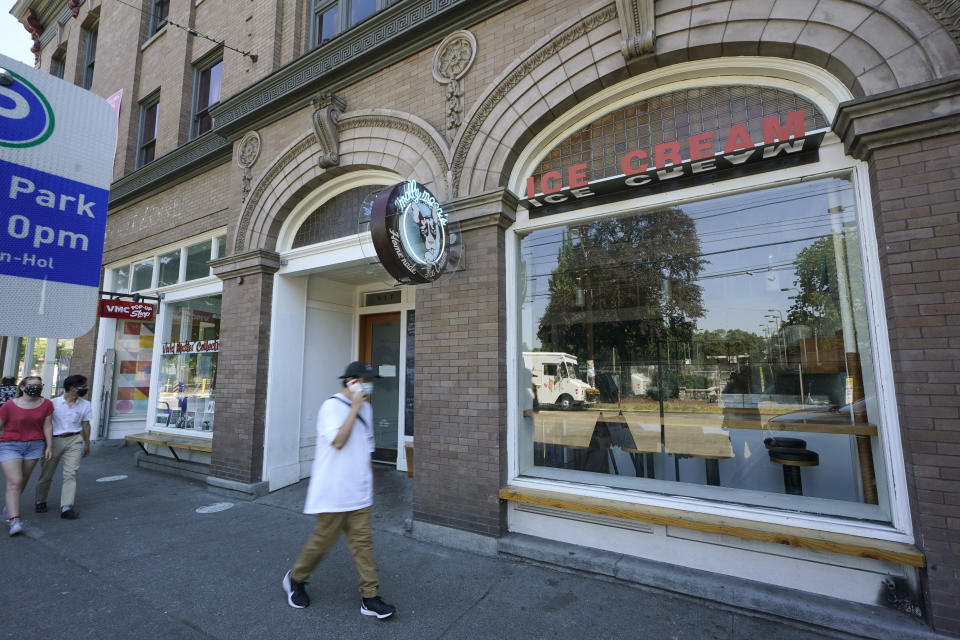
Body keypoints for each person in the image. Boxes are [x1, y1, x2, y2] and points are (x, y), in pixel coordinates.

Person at [282, 361, 396, 620]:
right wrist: (354, 407)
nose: (369, 385)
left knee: (363, 545)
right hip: (333, 492)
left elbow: (366, 448)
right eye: (364, 380)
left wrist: (370, 483)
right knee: (321, 543)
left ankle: (370, 597)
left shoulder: (366, 409)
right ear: (351, 381)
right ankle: (296, 579)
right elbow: (339, 441)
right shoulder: (331, 407)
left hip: (359, 492)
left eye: (371, 380)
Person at [0, 376, 53, 536]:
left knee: (21, 481)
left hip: (34, 445)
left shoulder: (46, 404)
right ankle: (15, 520)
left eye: (39, 385)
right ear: (22, 387)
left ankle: (8, 507)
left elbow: (47, 425)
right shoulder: (9, 405)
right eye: (32, 385)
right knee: (15, 481)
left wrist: (49, 446)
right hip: (10, 445)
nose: (36, 388)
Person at [34, 374, 92, 520]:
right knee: (47, 473)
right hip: (54, 441)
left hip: (74, 440)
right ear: (72, 388)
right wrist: (46, 443)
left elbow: (86, 425)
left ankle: (66, 507)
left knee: (71, 473)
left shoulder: (86, 405)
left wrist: (87, 443)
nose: (85, 389)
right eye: (82, 387)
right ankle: (40, 499)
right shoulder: (52, 403)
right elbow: (45, 424)